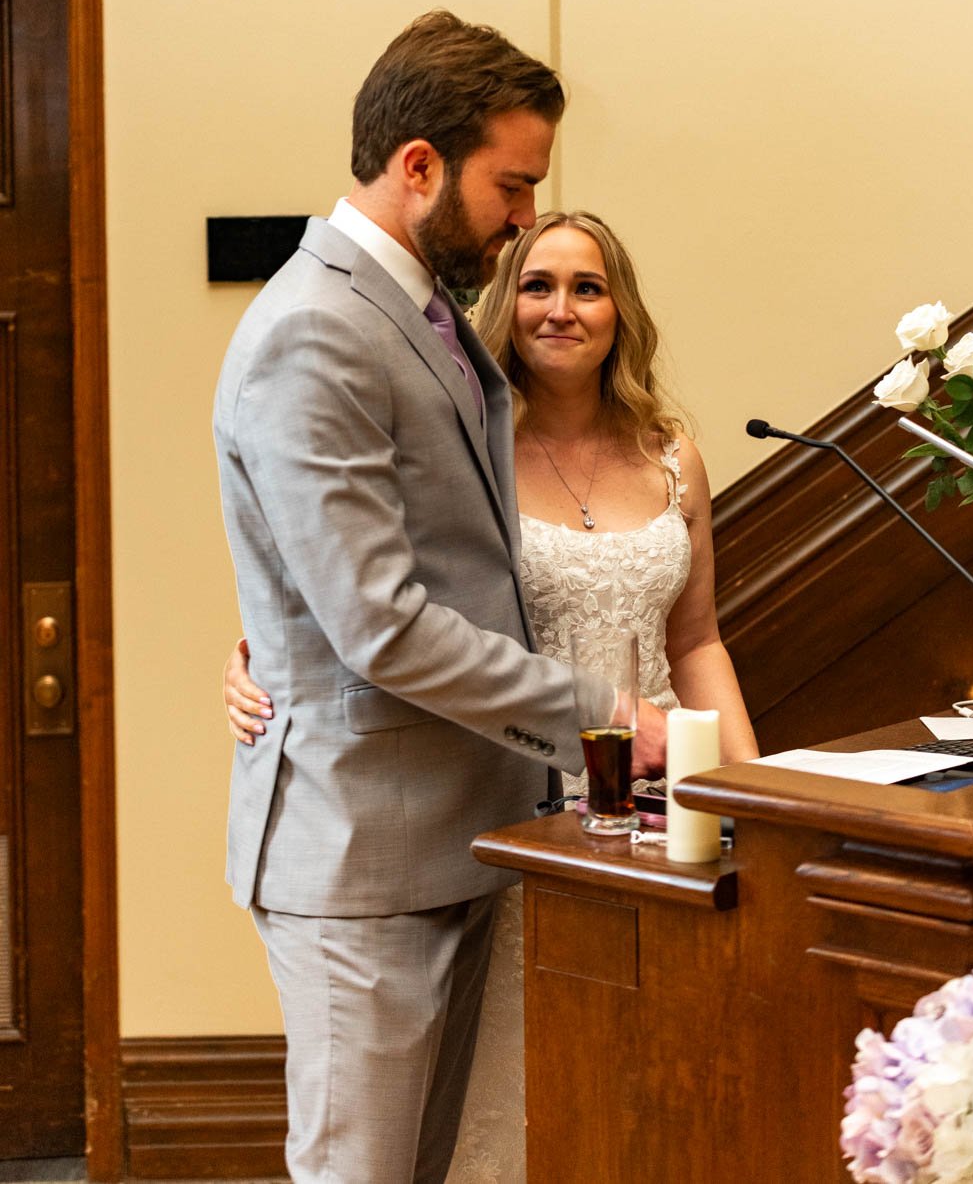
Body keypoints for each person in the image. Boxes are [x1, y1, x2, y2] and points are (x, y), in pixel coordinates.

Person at [212, 14, 668, 1184]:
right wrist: (603, 721)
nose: (524, 217)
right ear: (418, 165)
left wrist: (281, 630)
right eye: (511, 185)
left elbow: (411, 560)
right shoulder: (314, 331)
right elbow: (376, 623)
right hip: (363, 848)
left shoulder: (416, 316)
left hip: (449, 834)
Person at [226, 206, 758, 1182]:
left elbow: (696, 639)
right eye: (538, 285)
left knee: (647, 1080)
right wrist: (262, 653)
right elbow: (367, 594)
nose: (560, 309)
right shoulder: (467, 450)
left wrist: (750, 791)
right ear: (503, 304)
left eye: (586, 287)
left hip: (651, 806)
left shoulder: (672, 453)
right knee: (493, 1097)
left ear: (619, 312)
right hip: (509, 801)